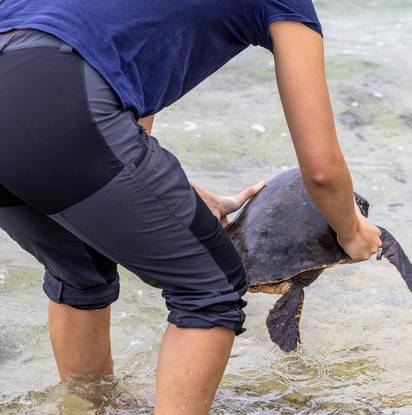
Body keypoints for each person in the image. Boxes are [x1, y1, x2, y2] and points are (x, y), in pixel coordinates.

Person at [0, 1, 382, 413]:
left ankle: (90, 407)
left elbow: (122, 86)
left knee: (80, 271)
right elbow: (322, 170)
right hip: (61, 93)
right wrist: (352, 232)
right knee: (210, 289)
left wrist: (172, 191)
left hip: (33, 76)